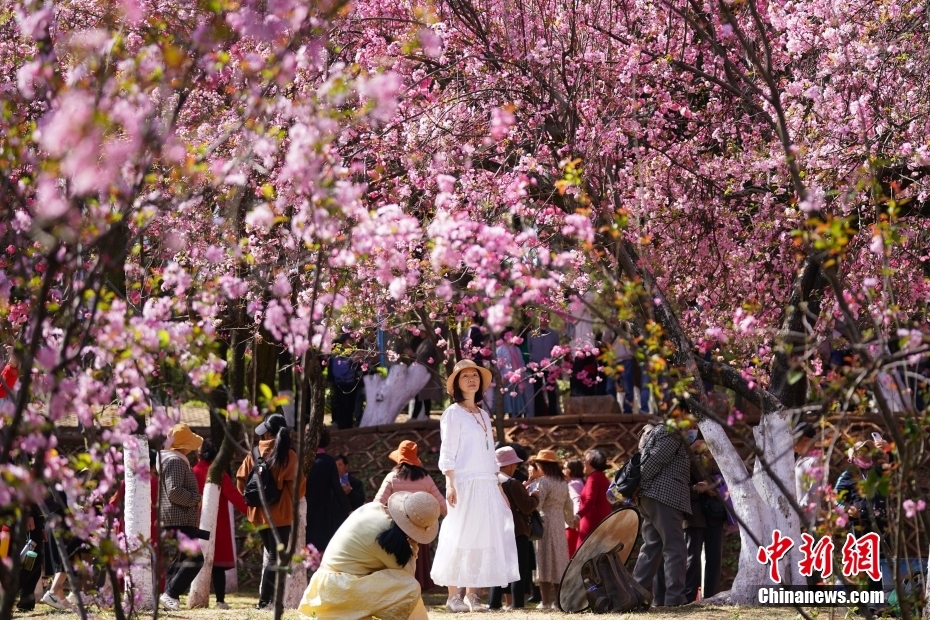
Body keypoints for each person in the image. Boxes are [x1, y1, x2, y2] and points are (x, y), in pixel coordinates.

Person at [431, 359, 520, 612]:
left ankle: (472, 595)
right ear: (457, 383)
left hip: (486, 483)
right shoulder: (452, 413)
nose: (471, 379)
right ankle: (453, 596)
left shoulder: (482, 413)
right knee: (458, 535)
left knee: (483, 537)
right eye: (465, 376)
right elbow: (448, 451)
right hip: (463, 481)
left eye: (475, 375)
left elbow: (490, 453)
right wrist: (450, 483)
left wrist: (498, 486)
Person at [298, 492, 441, 620]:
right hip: (337, 590)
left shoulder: (373, 508)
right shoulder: (386, 537)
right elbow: (406, 576)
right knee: (411, 588)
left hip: (329, 584)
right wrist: (414, 545)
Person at [236, 413, 304, 610]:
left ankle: (267, 600)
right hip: (280, 515)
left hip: (258, 514)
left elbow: (241, 481)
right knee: (276, 557)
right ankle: (265, 602)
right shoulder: (288, 455)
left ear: (267, 433)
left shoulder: (254, 452)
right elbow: (297, 489)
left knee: (272, 554)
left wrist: (253, 499)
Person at [631, 421, 691, 607]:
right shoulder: (671, 431)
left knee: (651, 548)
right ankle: (675, 598)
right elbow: (654, 460)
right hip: (664, 496)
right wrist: (637, 483)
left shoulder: (660, 431)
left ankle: (635, 596)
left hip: (652, 496)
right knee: (675, 548)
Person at [375, 440, 447, 591]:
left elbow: (378, 503)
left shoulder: (393, 477)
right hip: (420, 529)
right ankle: (416, 590)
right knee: (418, 565)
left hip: (397, 529)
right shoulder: (426, 478)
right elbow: (442, 505)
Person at [192, 439, 249, 610]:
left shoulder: (192, 471)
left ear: (198, 454)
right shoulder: (218, 473)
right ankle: (220, 600)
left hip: (195, 522)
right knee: (217, 565)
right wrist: (252, 512)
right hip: (218, 524)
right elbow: (234, 496)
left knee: (193, 562)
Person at [157, 423, 205, 611]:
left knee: (180, 560)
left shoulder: (174, 460)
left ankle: (169, 597)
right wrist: (196, 499)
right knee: (196, 559)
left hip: (177, 518)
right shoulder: (176, 461)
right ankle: (170, 594)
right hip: (179, 518)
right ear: (184, 444)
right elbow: (175, 492)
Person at [835, 436, 891, 597]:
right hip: (859, 525)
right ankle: (862, 601)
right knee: (861, 561)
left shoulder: (879, 470)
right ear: (854, 455)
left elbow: (898, 471)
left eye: (868, 450)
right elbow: (836, 497)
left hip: (879, 524)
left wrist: (888, 450)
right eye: (861, 451)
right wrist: (847, 508)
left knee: (875, 561)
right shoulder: (849, 474)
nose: (865, 454)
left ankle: (875, 602)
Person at [489, 447, 538, 610]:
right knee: (519, 568)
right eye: (514, 464)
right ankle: (517, 604)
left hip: (497, 530)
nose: (516, 467)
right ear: (509, 465)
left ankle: (494, 602)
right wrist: (535, 496)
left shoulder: (492, 482)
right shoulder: (512, 483)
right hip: (517, 531)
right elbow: (526, 506)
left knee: (499, 567)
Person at [526, 450, 574, 609]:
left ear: (544, 465)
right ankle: (559, 601)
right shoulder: (562, 482)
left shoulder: (543, 483)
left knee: (544, 560)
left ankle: (545, 602)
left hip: (544, 522)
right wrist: (570, 521)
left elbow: (537, 505)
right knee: (559, 560)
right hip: (559, 523)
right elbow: (569, 505)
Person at [305, 427, 352, 553]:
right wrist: (348, 509)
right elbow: (337, 488)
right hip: (323, 511)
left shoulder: (301, 460)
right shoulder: (328, 461)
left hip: (304, 509)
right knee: (322, 548)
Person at [528, 312, 561, 417]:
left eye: (546, 317)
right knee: (537, 391)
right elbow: (529, 349)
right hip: (536, 366)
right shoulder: (531, 334)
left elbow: (557, 350)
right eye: (542, 317)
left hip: (550, 366)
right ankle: (538, 414)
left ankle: (553, 413)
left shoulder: (554, 334)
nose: (544, 319)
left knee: (551, 390)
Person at [794, 421, 826, 530]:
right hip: (798, 518)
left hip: (808, 520)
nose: (793, 444)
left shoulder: (813, 462)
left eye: (795, 440)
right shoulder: (799, 460)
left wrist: (799, 508)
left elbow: (814, 491)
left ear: (805, 440)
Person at [577, 449, 612, 543]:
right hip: (602, 521)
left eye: (585, 459)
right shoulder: (602, 477)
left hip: (591, 523)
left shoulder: (593, 478)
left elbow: (589, 499)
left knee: (585, 554)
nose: (583, 462)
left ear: (593, 460)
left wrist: (578, 515)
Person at [330, 333, 362, 429]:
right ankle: (341, 425)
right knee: (341, 405)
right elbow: (338, 369)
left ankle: (349, 424)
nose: (351, 342)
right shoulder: (338, 353)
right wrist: (351, 360)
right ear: (344, 341)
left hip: (352, 383)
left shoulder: (353, 352)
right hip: (341, 384)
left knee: (350, 405)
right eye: (349, 340)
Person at [496, 330, 529, 417]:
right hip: (506, 378)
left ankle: (518, 416)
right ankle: (510, 416)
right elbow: (499, 365)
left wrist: (521, 373)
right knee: (508, 398)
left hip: (517, 378)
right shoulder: (500, 349)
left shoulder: (517, 349)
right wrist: (502, 376)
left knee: (517, 397)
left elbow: (521, 362)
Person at [412, 335, 444, 419]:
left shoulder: (429, 343)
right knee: (422, 396)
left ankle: (420, 416)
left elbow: (423, 358)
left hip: (426, 372)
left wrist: (413, 355)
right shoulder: (426, 342)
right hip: (423, 372)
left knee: (424, 395)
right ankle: (419, 415)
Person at [563, 459, 585, 557]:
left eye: (566, 468)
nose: (563, 470)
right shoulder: (579, 481)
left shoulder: (573, 484)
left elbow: (576, 500)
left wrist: (575, 517)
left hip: (571, 524)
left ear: (572, 470)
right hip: (576, 522)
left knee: (570, 554)